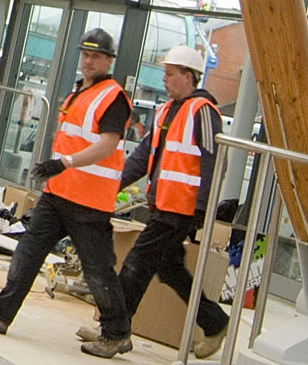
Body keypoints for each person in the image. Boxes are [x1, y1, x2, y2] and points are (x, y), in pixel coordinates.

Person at [0, 28, 134, 358]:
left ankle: (117, 334)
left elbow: (108, 144)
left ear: (109, 60)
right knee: (28, 251)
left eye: (96, 56)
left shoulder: (113, 98)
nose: (88, 61)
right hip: (59, 194)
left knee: (97, 269)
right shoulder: (80, 92)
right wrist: (59, 169)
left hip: (89, 200)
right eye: (85, 54)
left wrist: (64, 163)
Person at [93, 46, 229, 359]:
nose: (164, 79)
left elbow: (213, 162)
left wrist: (202, 208)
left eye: (170, 74)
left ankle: (114, 332)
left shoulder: (203, 111)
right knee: (170, 270)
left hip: (181, 208)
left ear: (188, 76)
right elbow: (144, 156)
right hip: (165, 204)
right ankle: (215, 322)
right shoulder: (167, 111)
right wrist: (111, 184)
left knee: (136, 263)